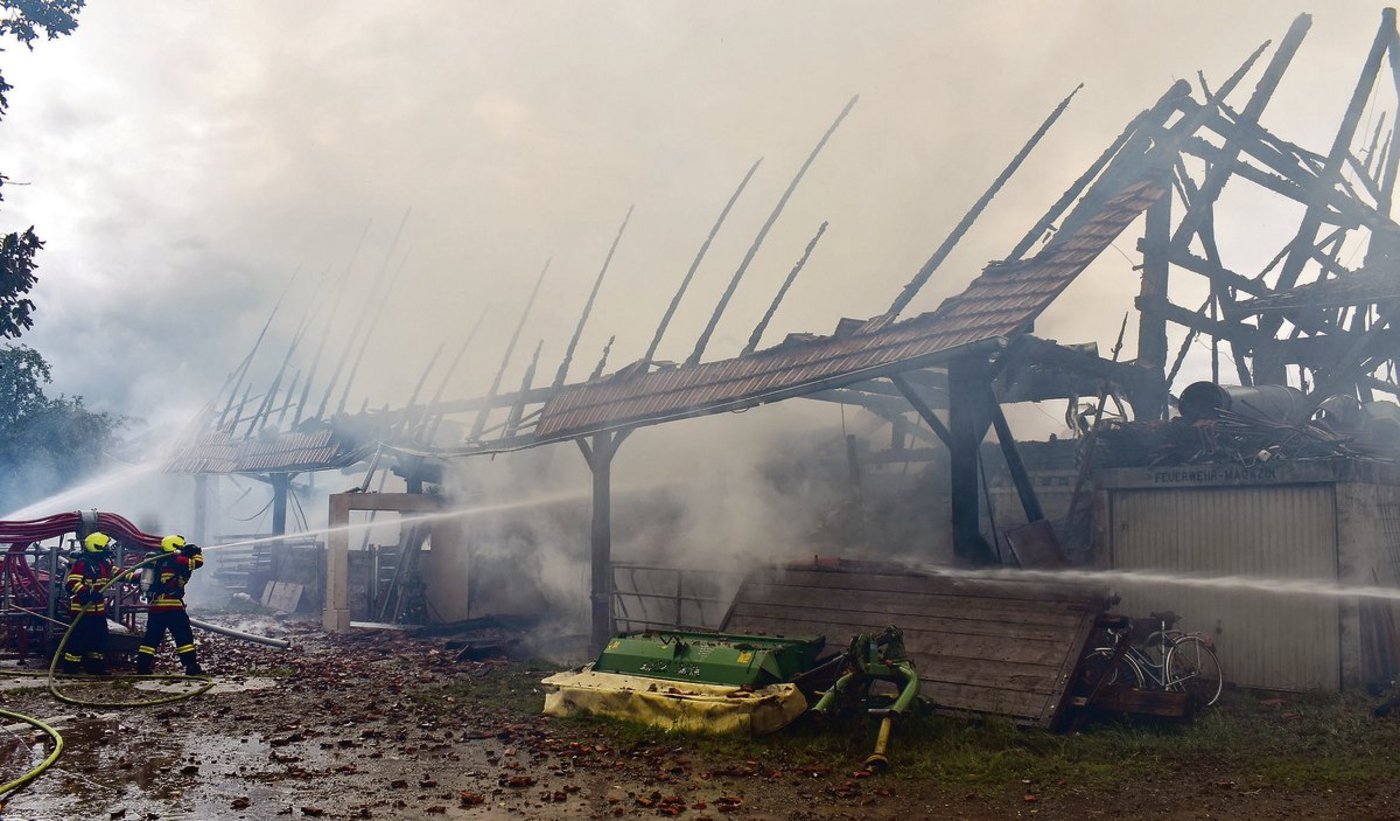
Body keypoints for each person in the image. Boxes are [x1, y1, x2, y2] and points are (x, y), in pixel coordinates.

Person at [135, 534, 204, 676]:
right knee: (183, 637)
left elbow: (139, 578)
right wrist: (196, 552)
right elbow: (197, 563)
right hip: (172, 607)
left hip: (155, 608)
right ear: (175, 546)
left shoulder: (158, 561)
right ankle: (191, 666)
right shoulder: (177, 559)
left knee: (151, 638)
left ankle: (142, 666)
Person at [62, 531, 116, 675]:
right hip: (82, 611)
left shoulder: (104, 563)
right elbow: (71, 583)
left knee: (99, 640)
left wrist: (139, 577)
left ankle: (95, 668)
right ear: (97, 546)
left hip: (98, 611)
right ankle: (70, 669)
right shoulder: (83, 563)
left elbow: (119, 574)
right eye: (105, 546)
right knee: (78, 640)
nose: (108, 548)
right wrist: (88, 593)